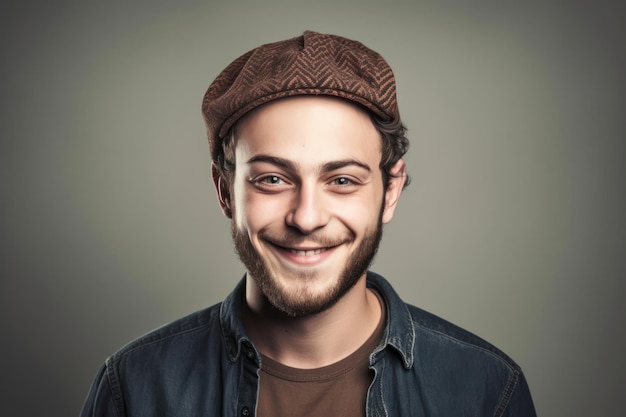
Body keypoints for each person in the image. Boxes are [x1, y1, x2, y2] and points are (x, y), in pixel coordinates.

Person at [80, 31, 536, 417]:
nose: (307, 217)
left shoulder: (488, 391)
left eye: (341, 180)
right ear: (225, 190)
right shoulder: (134, 389)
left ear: (390, 190)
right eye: (273, 179)